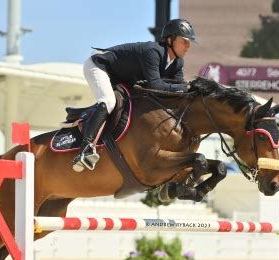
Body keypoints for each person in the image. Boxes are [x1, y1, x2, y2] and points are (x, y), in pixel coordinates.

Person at [73, 18, 196, 172]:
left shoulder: (178, 63)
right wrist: (186, 87)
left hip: (122, 77)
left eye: (189, 42)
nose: (188, 46)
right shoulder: (153, 52)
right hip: (99, 66)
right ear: (170, 39)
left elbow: (177, 90)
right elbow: (157, 86)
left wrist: (191, 88)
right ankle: (85, 149)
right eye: (184, 41)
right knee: (109, 101)